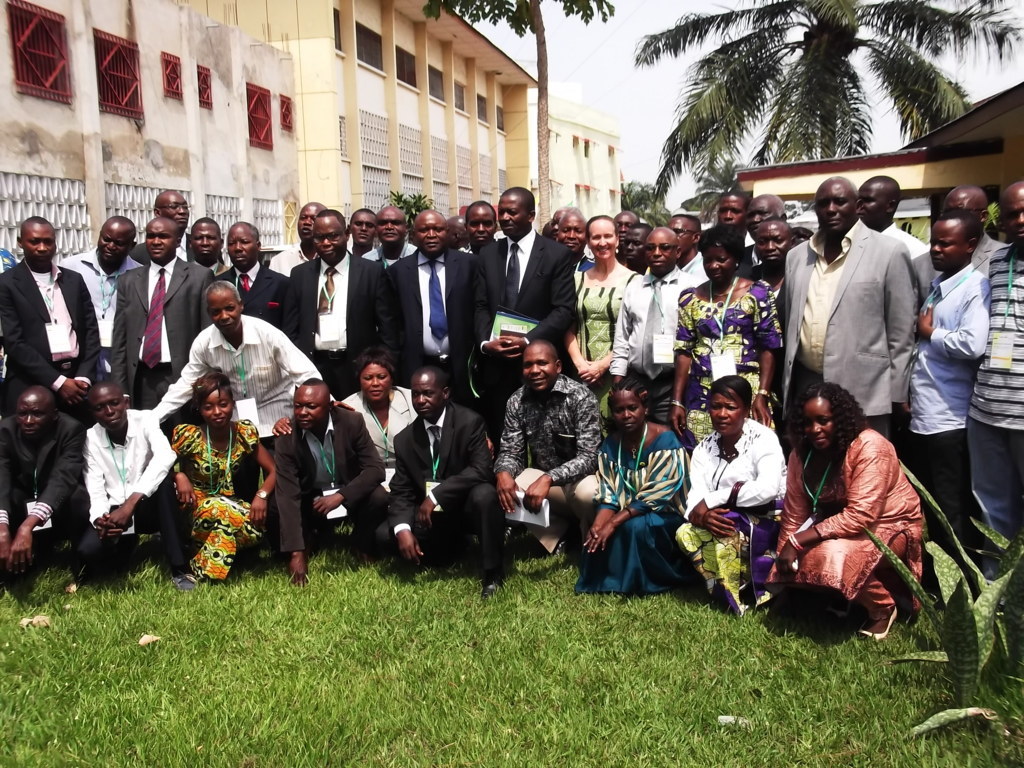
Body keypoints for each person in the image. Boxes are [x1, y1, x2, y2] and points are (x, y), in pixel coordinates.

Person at [769, 383, 923, 640]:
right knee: (802, 553)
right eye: (807, 423)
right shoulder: (801, 453)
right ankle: (842, 597)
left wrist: (797, 541)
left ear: (840, 419)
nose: (814, 429)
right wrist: (784, 571)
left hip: (891, 525)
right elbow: (794, 513)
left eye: (823, 421)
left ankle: (882, 608)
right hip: (838, 525)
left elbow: (861, 515)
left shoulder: (871, 446)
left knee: (831, 554)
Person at [781, 176, 916, 437]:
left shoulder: (889, 252)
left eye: (840, 201)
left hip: (864, 389)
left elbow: (901, 333)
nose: (831, 209)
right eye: (823, 203)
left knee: (863, 459)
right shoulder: (797, 256)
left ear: (858, 205)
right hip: (807, 383)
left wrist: (898, 392)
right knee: (813, 460)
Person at [908, 210, 989, 559]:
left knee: (952, 506)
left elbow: (973, 344)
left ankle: (961, 576)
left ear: (970, 245)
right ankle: (935, 572)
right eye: (933, 242)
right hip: (924, 414)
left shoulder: (975, 288)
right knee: (931, 505)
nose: (936, 250)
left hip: (950, 418)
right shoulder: (938, 286)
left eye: (945, 243)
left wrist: (931, 332)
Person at [386, 367, 505, 598]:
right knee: (386, 535)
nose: (420, 400)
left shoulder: (469, 422)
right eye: (415, 394)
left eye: (428, 393)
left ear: (445, 393)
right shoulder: (405, 439)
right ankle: (454, 547)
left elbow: (481, 469)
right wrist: (403, 529)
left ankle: (493, 573)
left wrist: (436, 495)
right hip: (432, 517)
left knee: (485, 495)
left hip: (465, 506)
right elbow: (401, 490)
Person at [675, 377, 785, 614]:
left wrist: (713, 500)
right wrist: (703, 516)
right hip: (725, 517)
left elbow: (767, 489)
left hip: (767, 517)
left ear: (745, 410)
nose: (722, 414)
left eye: (731, 407)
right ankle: (725, 590)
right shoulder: (704, 448)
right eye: (716, 406)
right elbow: (696, 496)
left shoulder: (764, 439)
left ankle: (749, 592)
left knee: (727, 528)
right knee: (686, 533)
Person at [152, 282, 320, 437]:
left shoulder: (268, 334)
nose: (224, 316)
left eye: (229, 308)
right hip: (236, 424)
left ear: (241, 305)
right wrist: (153, 418)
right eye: (216, 312)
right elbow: (185, 385)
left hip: (278, 419)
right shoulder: (204, 343)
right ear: (209, 313)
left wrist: (328, 406)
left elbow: (306, 374)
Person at [474, 187, 575, 441]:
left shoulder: (556, 254)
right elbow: (480, 305)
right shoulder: (488, 254)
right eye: (502, 212)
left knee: (543, 441)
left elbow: (563, 310)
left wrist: (528, 341)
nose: (505, 218)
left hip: (539, 367)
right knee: (504, 439)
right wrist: (486, 343)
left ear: (531, 215)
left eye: (512, 212)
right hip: (497, 368)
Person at [576, 377, 694, 595]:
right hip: (629, 512)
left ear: (645, 408)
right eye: (619, 410)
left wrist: (613, 522)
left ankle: (645, 580)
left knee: (633, 527)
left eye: (632, 408)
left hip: (667, 514)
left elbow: (656, 496)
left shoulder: (666, 441)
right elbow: (609, 493)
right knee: (599, 530)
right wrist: (600, 523)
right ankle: (606, 582)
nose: (626, 415)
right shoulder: (611, 445)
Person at [671, 224, 782, 449]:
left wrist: (762, 394)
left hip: (746, 389)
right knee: (703, 452)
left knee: (750, 450)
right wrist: (677, 401)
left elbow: (768, 347)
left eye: (721, 259)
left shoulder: (758, 294)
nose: (713, 266)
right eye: (708, 260)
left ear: (736, 260)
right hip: (702, 392)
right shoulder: (690, 298)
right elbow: (683, 351)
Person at [78, 382, 194, 589]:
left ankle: (180, 568)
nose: (109, 411)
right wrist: (100, 520)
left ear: (126, 403)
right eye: (99, 408)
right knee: (89, 551)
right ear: (92, 413)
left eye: (114, 403)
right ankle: (126, 543)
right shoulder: (90, 438)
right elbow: (94, 487)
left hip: (144, 504)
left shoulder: (146, 420)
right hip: (114, 511)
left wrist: (130, 504)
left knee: (164, 484)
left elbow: (165, 456)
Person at [273, 379, 388, 585]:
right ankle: (308, 540)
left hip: (345, 493)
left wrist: (341, 495)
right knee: (275, 505)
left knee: (378, 496)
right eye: (298, 406)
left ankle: (360, 543)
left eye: (311, 406)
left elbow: (376, 469)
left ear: (329, 406)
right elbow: (288, 494)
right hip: (310, 499)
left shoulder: (352, 422)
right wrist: (296, 553)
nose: (302, 412)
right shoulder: (286, 435)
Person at [494, 340, 600, 552]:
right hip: (546, 485)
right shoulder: (516, 401)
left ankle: (591, 538)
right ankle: (559, 537)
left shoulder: (580, 397)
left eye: (542, 363)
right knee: (511, 486)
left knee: (590, 493)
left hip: (580, 481)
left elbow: (590, 457)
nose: (535, 370)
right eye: (528, 365)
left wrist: (549, 478)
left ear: (558, 366)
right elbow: (511, 451)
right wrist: (502, 472)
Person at [283, 209, 399, 400]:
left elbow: (388, 329)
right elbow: (290, 329)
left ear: (346, 234)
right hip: (313, 367)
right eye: (319, 238)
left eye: (332, 236)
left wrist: (383, 367)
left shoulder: (371, 272)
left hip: (356, 366)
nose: (326, 243)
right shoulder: (300, 275)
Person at [172, 372, 275, 580]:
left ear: (232, 404)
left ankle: (200, 561)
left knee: (254, 529)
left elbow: (274, 469)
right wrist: (179, 476)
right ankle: (212, 560)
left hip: (230, 505)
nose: (217, 412)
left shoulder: (243, 432)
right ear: (199, 409)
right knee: (216, 508)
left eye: (223, 404)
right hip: (196, 509)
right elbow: (158, 467)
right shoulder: (189, 436)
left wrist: (262, 495)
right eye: (208, 407)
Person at [968, 180, 1024, 553]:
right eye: (1011, 214)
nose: (1019, 220)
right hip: (987, 410)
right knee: (992, 507)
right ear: (999, 220)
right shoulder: (998, 261)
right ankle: (996, 583)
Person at [0, 217, 101, 416]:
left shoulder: (73, 280)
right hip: (30, 384)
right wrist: (58, 382)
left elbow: (90, 331)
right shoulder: (7, 284)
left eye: (48, 241)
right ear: (20, 242)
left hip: (76, 385)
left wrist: (83, 377)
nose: (42, 248)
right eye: (34, 241)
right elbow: (14, 342)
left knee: (77, 435)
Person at [111, 217, 214, 410]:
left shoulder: (200, 277)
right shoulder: (128, 280)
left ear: (178, 241)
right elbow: (120, 340)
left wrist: (203, 383)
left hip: (183, 378)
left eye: (163, 236)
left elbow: (208, 334)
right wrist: (121, 389)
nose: (156, 241)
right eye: (151, 236)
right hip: (141, 379)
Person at [611, 226, 703, 425]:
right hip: (637, 380)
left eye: (665, 247)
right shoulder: (634, 287)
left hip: (673, 382)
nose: (656, 253)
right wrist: (618, 382)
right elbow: (622, 338)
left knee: (670, 435)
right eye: (650, 248)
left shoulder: (693, 287)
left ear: (678, 252)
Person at [388, 210, 478, 404]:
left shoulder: (469, 265)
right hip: (417, 366)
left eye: (437, 229)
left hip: (461, 366)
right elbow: (393, 323)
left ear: (447, 232)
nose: (431, 235)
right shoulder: (398, 272)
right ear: (413, 235)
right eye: (424, 230)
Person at [0, 387, 88, 577]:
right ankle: (16, 561)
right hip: (23, 500)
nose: (28, 421)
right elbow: (2, 477)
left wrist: (27, 526)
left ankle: (80, 558)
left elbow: (63, 478)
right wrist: (2, 527)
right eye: (22, 414)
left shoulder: (71, 429)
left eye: (37, 414)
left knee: (77, 496)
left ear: (54, 415)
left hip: (58, 504)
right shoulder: (5, 430)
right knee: (8, 497)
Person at [565, 215, 637, 425]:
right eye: (596, 237)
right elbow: (568, 326)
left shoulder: (635, 281)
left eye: (608, 236)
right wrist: (582, 365)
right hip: (581, 374)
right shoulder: (576, 280)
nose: (602, 242)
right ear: (588, 242)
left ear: (617, 239)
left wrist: (603, 366)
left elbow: (635, 333)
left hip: (617, 373)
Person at [56, 216, 141, 382]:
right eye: (106, 239)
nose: (111, 246)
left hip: (120, 360)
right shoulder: (71, 266)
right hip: (82, 359)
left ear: (132, 246)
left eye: (119, 243)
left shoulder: (140, 274)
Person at [341, 347, 414, 472]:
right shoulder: (347, 408)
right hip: (368, 474)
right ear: (359, 380)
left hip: (408, 472)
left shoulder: (411, 400)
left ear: (391, 378)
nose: (375, 383)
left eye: (381, 377)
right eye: (368, 378)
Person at [221, 222, 289, 329]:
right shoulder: (220, 283)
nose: (237, 248)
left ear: (258, 246)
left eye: (244, 242)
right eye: (231, 243)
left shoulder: (280, 283)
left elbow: (289, 328)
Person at [857, 176, 928, 258]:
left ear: (890, 206)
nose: (858, 206)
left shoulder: (914, 250)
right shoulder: (850, 243)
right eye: (857, 200)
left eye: (867, 200)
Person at [943, 185, 1004, 273]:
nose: (952, 218)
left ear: (983, 216)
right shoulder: (925, 263)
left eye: (960, 212)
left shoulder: (1004, 257)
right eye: (947, 213)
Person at [130, 190, 192, 264]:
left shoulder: (199, 246)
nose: (182, 211)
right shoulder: (137, 254)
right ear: (158, 213)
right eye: (174, 206)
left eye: (185, 207)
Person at [269, 201, 326, 275]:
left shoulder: (332, 258)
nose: (307, 222)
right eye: (303, 218)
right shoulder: (279, 261)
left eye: (313, 218)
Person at [668, 213, 705, 279]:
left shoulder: (705, 271)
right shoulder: (667, 269)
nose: (670, 237)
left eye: (677, 231)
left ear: (696, 238)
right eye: (668, 232)